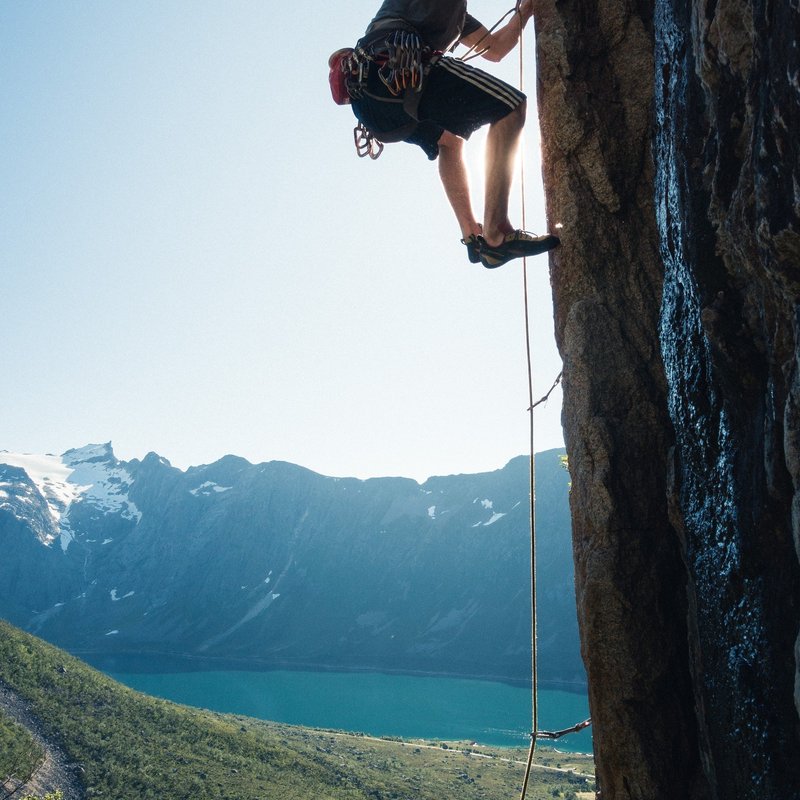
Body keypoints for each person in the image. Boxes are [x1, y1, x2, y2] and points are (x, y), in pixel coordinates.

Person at [329, 0, 559, 269]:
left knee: (449, 141)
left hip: (376, 102)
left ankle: (472, 235)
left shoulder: (457, 17)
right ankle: (497, 236)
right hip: (399, 64)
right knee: (511, 106)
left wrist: (525, 11)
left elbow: (494, 49)